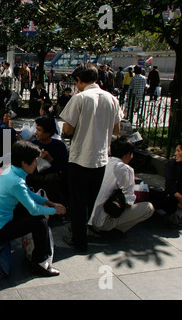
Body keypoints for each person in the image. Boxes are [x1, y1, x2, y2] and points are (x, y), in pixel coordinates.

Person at [59, 62, 122, 253]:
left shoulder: (80, 98)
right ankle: (81, 230)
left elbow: (68, 129)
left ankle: (79, 239)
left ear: (79, 80)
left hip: (80, 158)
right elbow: (117, 130)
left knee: (77, 202)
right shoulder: (112, 98)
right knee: (89, 200)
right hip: (101, 158)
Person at [0, 140, 66, 277]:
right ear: (24, 163)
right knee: (40, 222)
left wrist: (50, 203)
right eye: (35, 161)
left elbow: (28, 193)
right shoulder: (16, 182)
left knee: (29, 212)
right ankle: (40, 263)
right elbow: (34, 210)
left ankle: (33, 253)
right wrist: (55, 210)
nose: (37, 164)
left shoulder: (11, 171)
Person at [89, 137, 154, 233]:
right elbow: (129, 200)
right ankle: (114, 229)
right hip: (101, 222)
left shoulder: (102, 162)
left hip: (87, 217)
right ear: (128, 154)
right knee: (148, 208)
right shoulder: (125, 169)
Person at [27, 116, 69, 206]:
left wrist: (50, 160)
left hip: (51, 179)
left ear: (48, 133)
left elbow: (65, 168)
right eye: (36, 129)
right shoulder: (33, 143)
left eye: (39, 130)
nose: (36, 132)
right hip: (34, 177)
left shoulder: (59, 146)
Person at [163, 141, 182, 225]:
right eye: (176, 151)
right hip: (174, 197)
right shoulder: (172, 164)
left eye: (178, 151)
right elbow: (170, 184)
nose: (176, 153)